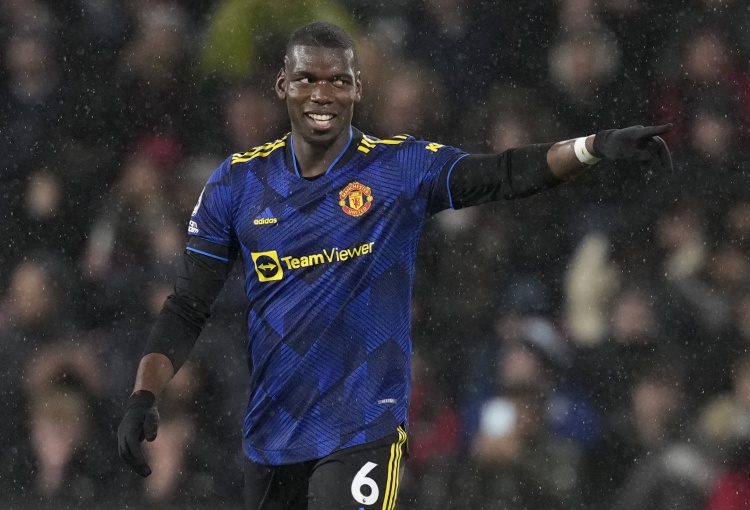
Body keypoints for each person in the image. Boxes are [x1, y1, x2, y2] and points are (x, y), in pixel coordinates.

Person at [117, 20, 673, 510]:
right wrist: (144, 394)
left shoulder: (397, 169)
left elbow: (503, 173)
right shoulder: (236, 184)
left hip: (365, 425)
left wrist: (593, 146)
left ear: (358, 88)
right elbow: (187, 305)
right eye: (308, 78)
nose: (322, 93)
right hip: (273, 432)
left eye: (338, 80)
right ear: (282, 85)